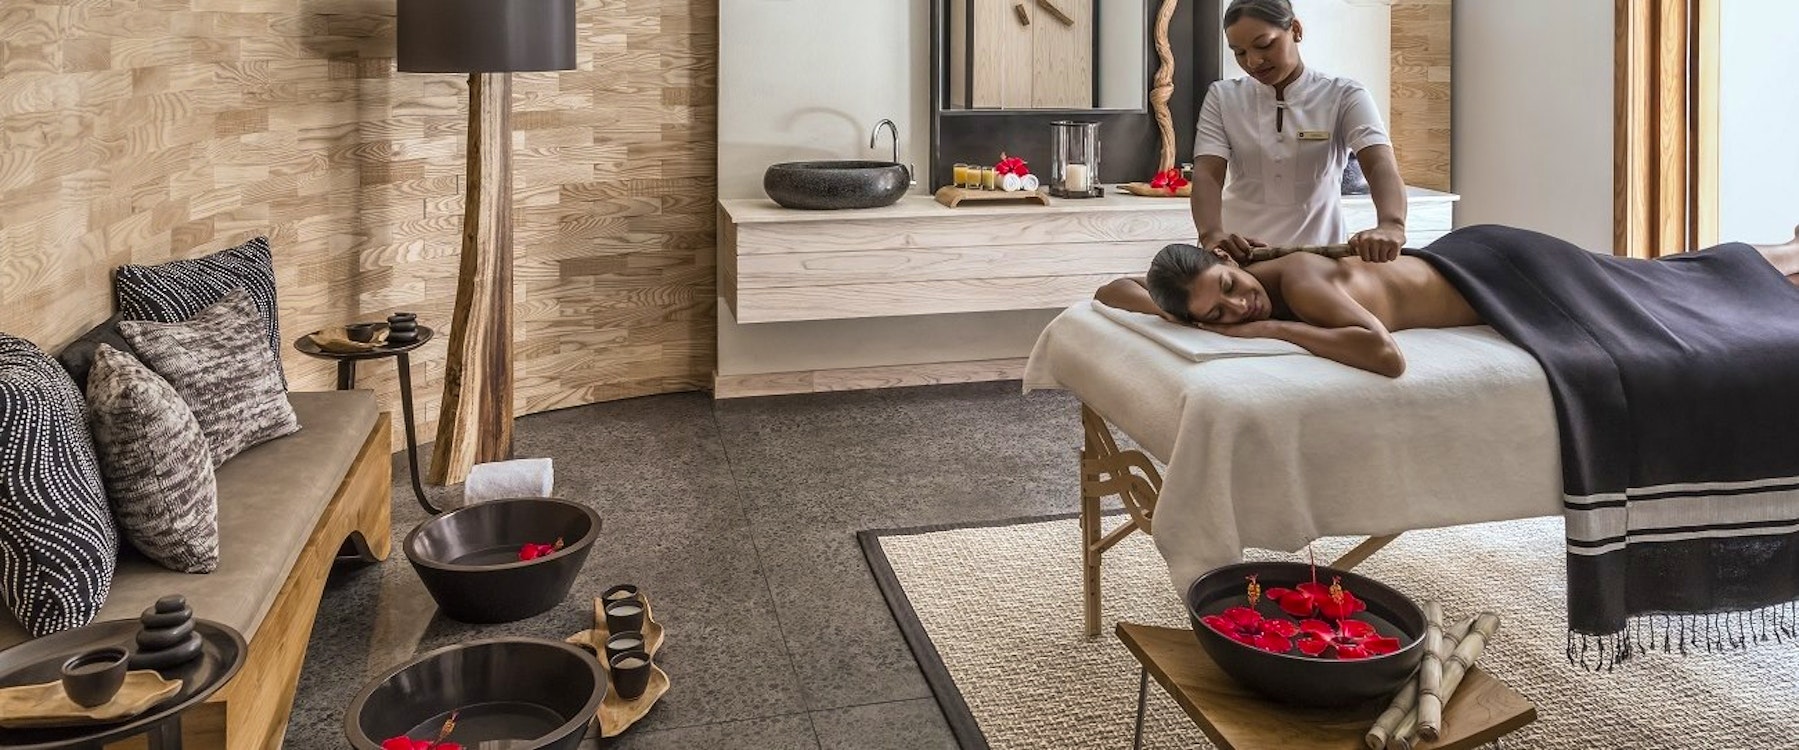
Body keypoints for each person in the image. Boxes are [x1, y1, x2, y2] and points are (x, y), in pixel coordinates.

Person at [1093, 226, 1799, 378]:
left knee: (1655, 288)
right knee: (1649, 279)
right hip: (1483, 268)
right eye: (1214, 317)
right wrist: (1178, 309)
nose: (1236, 311)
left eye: (1228, 288)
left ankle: (1786, 259)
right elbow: (1111, 289)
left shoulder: (1299, 282)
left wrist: (1271, 328)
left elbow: (1384, 356)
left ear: (1222, 256)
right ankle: (1785, 254)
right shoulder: (1232, 288)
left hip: (1506, 274)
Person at [1195, 0, 1409, 264]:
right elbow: (1207, 174)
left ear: (1295, 30)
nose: (1252, 61)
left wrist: (1391, 224)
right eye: (1239, 52)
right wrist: (1211, 234)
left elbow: (1379, 165)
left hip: (1320, 259)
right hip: (1240, 257)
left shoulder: (1344, 95)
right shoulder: (1222, 97)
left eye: (1264, 45)